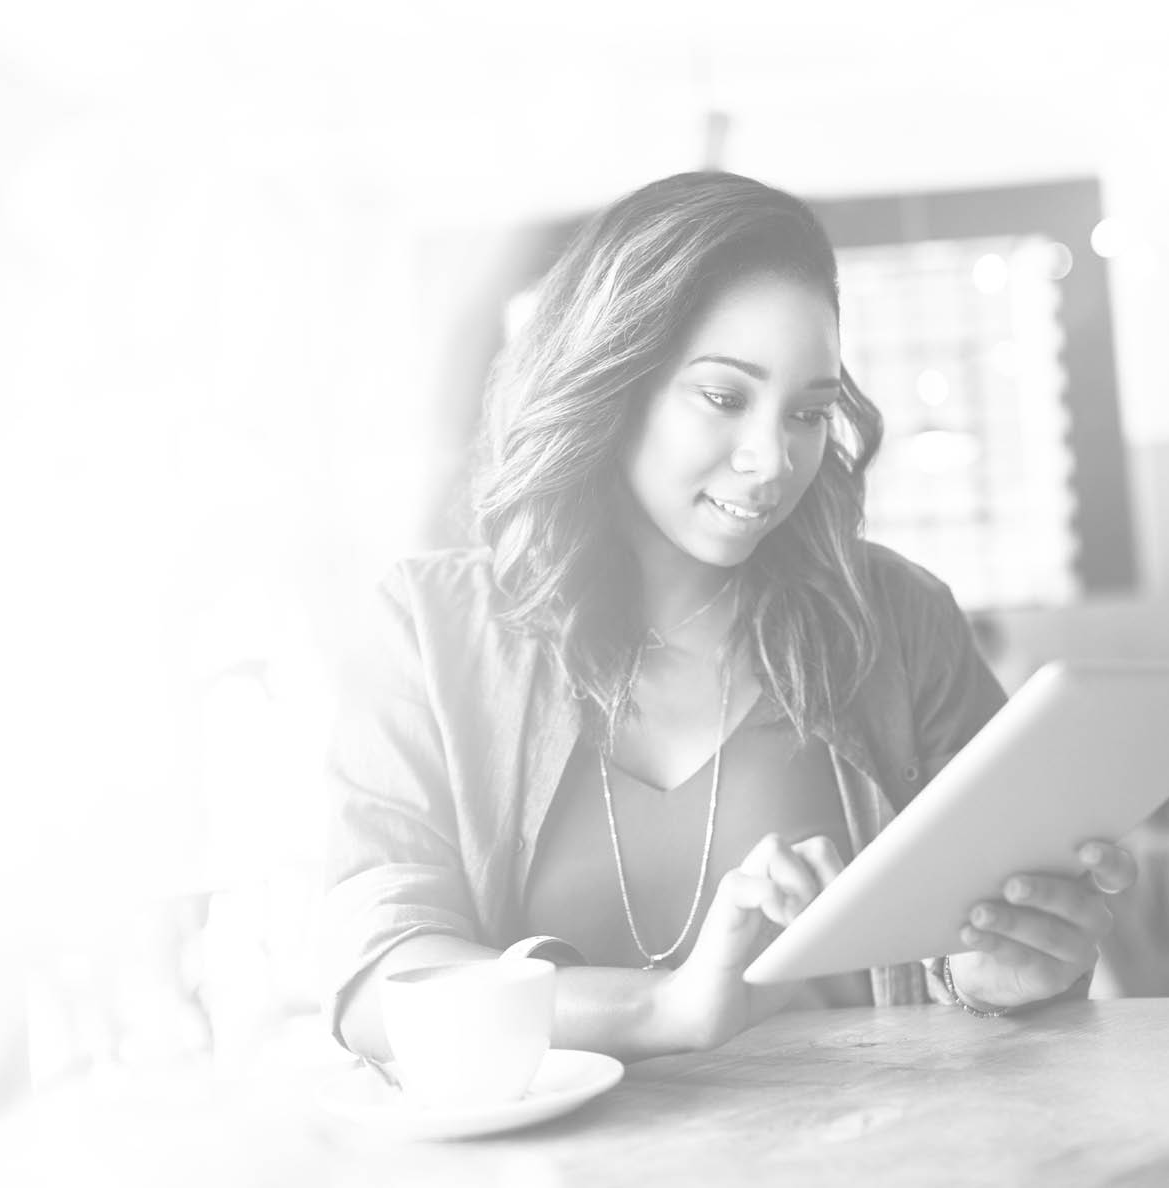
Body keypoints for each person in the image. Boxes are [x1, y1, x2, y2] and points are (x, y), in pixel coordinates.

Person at [321, 171, 1136, 1063]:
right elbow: (379, 988)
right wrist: (661, 1012)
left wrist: (999, 978)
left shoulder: (897, 621)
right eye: (723, 396)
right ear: (612, 378)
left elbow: (986, 972)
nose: (771, 460)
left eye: (810, 413)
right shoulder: (430, 633)